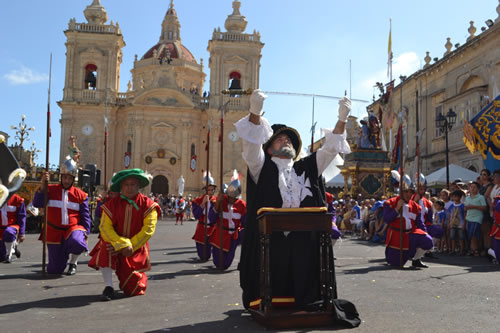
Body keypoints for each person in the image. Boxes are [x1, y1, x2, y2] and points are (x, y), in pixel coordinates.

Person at [236, 88, 359, 328]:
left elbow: (330, 149)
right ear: (269, 147)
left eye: (290, 139)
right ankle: (271, 303)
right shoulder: (262, 166)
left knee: (305, 266)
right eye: (280, 139)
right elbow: (251, 147)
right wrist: (254, 113)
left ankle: (309, 300)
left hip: (304, 237)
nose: (287, 141)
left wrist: (342, 119)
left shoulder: (307, 166)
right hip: (270, 238)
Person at [88, 169, 160, 300]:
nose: (129, 188)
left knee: (134, 289)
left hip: (136, 249)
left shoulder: (149, 205)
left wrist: (131, 245)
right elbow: (105, 228)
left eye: (133, 184)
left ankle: (135, 274)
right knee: (105, 247)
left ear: (138, 186)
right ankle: (108, 287)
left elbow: (148, 229)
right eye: (126, 185)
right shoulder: (111, 205)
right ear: (121, 187)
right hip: (115, 246)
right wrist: (121, 244)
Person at [33, 157, 91, 275]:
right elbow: (37, 203)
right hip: (54, 232)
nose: (67, 180)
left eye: (69, 178)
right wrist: (42, 185)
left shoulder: (81, 195)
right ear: (61, 177)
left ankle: (73, 263)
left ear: (73, 179)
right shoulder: (49, 189)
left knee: (78, 242)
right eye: (65, 177)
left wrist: (85, 233)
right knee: (55, 270)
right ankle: (60, 261)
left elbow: (85, 215)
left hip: (72, 230)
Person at [383, 174, 433, 268]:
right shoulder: (390, 203)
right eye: (406, 192)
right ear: (401, 192)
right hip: (397, 237)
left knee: (428, 241)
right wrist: (397, 208)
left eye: (411, 192)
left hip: (411, 234)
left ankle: (416, 259)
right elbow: (387, 219)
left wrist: (425, 233)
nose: (409, 194)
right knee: (396, 264)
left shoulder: (415, 206)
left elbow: (420, 223)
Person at [208, 175, 247, 269]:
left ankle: (244, 261)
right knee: (219, 264)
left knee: (226, 264)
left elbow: (245, 223)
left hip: (233, 236)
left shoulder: (242, 205)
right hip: (220, 234)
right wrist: (217, 204)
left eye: (235, 198)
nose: (232, 200)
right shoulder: (221, 200)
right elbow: (211, 219)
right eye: (230, 197)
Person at [412, 175, 442, 258]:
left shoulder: (427, 202)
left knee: (438, 231)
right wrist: (414, 201)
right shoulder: (410, 198)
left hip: (424, 225)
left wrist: (428, 225)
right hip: (413, 225)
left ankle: (428, 251)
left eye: (423, 189)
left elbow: (429, 217)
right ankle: (416, 255)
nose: (422, 191)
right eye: (420, 189)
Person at [191, 174, 216, 261]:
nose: (210, 192)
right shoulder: (197, 201)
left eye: (212, 190)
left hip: (213, 229)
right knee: (204, 257)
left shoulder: (217, 202)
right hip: (201, 228)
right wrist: (202, 204)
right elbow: (196, 215)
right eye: (208, 190)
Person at [0, 194, 26, 263]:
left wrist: (22, 233)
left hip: (11, 226)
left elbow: (22, 217)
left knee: (9, 232)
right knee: (1, 257)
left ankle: (9, 254)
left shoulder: (17, 200)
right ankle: (13, 247)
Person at [464, 181, 487, 257]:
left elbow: (484, 207)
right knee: (471, 235)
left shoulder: (481, 197)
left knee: (474, 234)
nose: (472, 188)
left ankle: (476, 250)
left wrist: (473, 206)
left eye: (474, 187)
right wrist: (466, 208)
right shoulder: (467, 197)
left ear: (478, 189)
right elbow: (465, 207)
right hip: (468, 218)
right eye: (471, 187)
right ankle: (473, 249)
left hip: (477, 218)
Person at [448, 190, 466, 255]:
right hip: (452, 223)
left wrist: (464, 224)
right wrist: (449, 223)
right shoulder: (451, 206)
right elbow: (449, 215)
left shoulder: (463, 206)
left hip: (460, 224)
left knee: (461, 238)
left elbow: (464, 215)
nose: (454, 198)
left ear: (460, 197)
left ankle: (462, 250)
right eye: (453, 197)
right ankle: (453, 250)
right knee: (452, 237)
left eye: (456, 196)